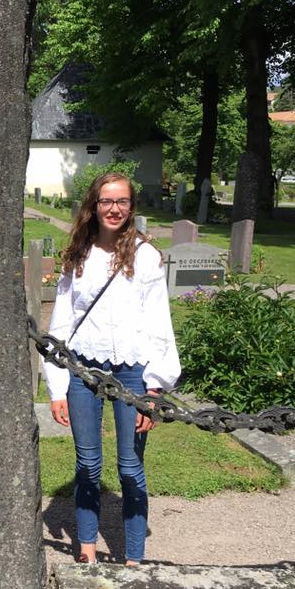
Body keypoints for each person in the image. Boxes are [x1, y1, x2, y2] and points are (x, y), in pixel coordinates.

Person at [44, 172, 180, 566]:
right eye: (107, 201)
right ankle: (86, 549)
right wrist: (57, 386)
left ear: (131, 207)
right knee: (88, 465)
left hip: (133, 372)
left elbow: (159, 323)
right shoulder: (78, 255)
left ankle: (133, 558)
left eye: (122, 201)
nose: (114, 209)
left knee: (130, 467)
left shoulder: (145, 256)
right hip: (83, 369)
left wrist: (154, 389)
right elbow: (62, 323)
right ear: (94, 205)